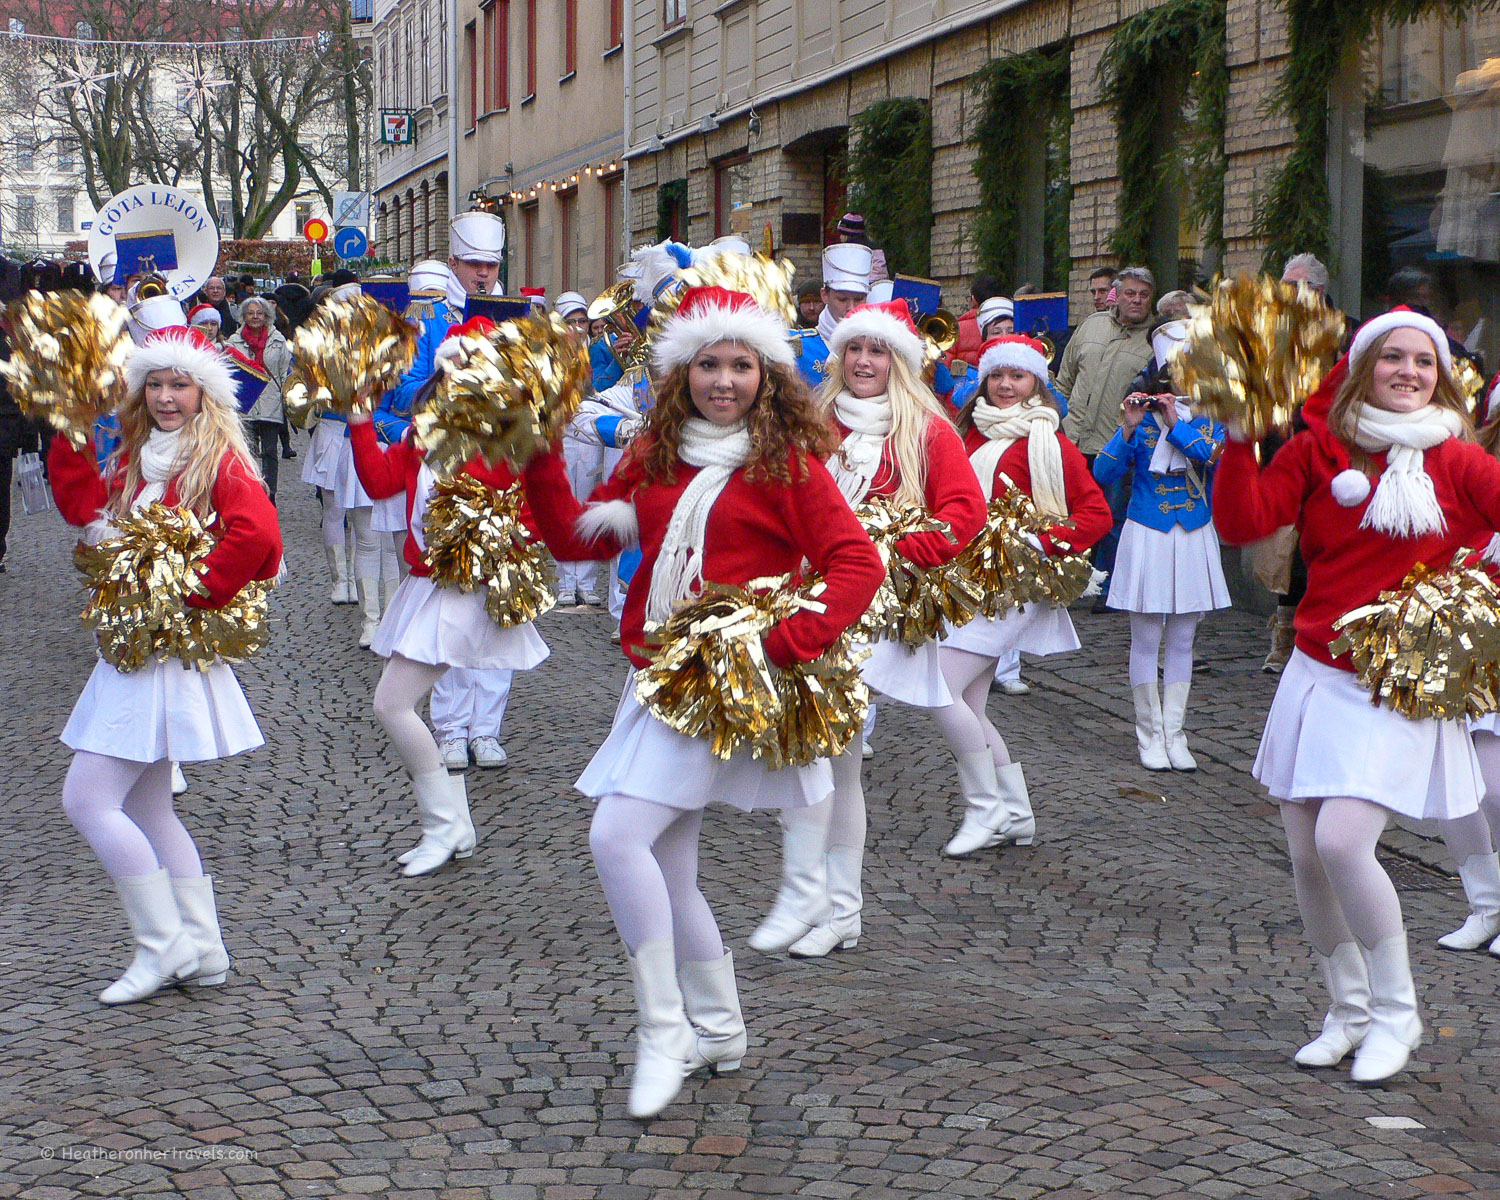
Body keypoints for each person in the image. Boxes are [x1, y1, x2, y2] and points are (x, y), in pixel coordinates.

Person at [520, 283, 884, 1118]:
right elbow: (577, 536)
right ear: (681, 372)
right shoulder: (656, 454)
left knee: (617, 837)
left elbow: (856, 564)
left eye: (741, 365)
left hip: (728, 683)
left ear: (768, 375)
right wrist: (536, 455)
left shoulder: (785, 464)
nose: (724, 380)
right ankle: (718, 1029)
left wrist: (778, 645)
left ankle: (664, 1032)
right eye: (708, 364)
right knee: (669, 867)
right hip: (662, 674)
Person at [1213, 308, 1500, 1083]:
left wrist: (1471, 609)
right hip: (1317, 671)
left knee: (1343, 841)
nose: (1409, 371)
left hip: (1398, 682)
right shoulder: (1319, 447)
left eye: (1424, 361)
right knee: (1307, 856)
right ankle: (1347, 1012)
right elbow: (1243, 520)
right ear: (1361, 367)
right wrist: (1239, 437)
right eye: (1392, 357)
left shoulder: (1457, 459)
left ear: (1441, 377)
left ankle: (1397, 1014)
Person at [47, 325, 282, 1003]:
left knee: (87, 800)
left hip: (161, 656)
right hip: (138, 651)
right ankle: (204, 949)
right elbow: (83, 508)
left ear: (204, 392)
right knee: (150, 809)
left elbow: (261, 535)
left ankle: (162, 945)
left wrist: (190, 594)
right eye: (154, 384)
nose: (166, 397)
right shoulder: (138, 455)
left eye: (180, 384)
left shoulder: (218, 461)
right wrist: (67, 423)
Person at [766, 298, 986, 961]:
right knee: (816, 762)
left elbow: (964, 514)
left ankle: (835, 908)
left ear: (899, 361)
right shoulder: (813, 420)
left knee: (828, 759)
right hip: (806, 603)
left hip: (873, 613)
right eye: (855, 349)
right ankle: (833, 908)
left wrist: (889, 550)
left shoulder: (928, 431)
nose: (864, 361)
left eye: (878, 351)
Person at [349, 315, 550, 877]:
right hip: (427, 585)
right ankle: (452, 823)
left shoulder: (509, 439)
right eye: (455, 367)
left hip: (465, 588)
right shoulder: (426, 430)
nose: (463, 378)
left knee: (391, 705)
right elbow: (381, 483)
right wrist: (360, 419)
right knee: (396, 704)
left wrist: (489, 546)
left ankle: (445, 825)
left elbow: (534, 517)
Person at [935, 335, 1111, 853]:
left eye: (1017, 375)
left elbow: (1096, 514)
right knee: (970, 705)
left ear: (1036, 382)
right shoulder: (969, 432)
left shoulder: (1049, 441)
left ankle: (985, 810)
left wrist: (1039, 541)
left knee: (940, 688)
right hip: (966, 582)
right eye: (997, 375)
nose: (1006, 385)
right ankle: (1015, 814)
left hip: (1015, 587)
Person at [1093, 320, 1227, 772]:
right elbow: (1103, 475)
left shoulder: (1214, 418)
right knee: (1147, 638)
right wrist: (1128, 429)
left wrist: (1176, 426)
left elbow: (1212, 459)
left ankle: (1176, 734)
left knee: (1184, 639)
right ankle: (1149, 734)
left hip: (1193, 531)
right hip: (1147, 531)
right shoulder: (1142, 415)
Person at [1435, 372, 1500, 958]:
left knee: (1496, 789)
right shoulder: (1471, 476)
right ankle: (1486, 904)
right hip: (1471, 650)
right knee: (1460, 789)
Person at [1059, 265, 1156, 608]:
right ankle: (1067, 582)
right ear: (1118, 294)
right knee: (1071, 515)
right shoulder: (1092, 325)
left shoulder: (1153, 341)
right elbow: (1065, 378)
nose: (1136, 300)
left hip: (1115, 444)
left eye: (1144, 295)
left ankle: (1107, 588)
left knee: (1113, 519)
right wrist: (1061, 420)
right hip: (1074, 439)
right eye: (1130, 293)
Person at [225, 297, 293, 502]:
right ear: (244, 316)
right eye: (250, 313)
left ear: (266, 316)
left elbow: (284, 372)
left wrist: (287, 399)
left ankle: (270, 495)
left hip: (271, 401)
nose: (255, 317)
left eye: (259, 313)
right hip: (245, 404)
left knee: (270, 451)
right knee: (248, 452)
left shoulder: (278, 340)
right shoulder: (233, 341)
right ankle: (251, 493)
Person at [793, 243, 872, 388]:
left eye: (858, 299)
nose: (851, 308)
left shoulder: (880, 346)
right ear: (824, 295)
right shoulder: (799, 347)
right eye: (842, 299)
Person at [835, 212, 888, 282]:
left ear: (847, 235)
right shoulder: (875, 249)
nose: (840, 237)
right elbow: (880, 274)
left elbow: (878, 276)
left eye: (842, 234)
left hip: (862, 287)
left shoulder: (845, 251)